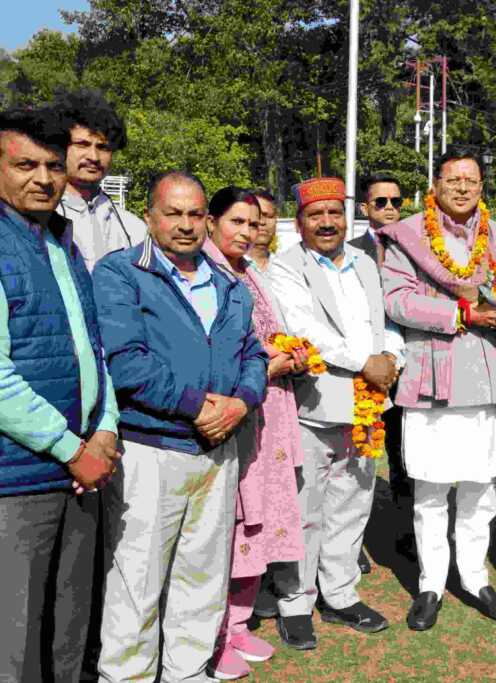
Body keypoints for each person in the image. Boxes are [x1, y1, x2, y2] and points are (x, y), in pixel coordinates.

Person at [93, 171, 268, 682]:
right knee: (137, 579)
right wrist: (197, 407)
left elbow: (254, 355)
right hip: (151, 447)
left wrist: (241, 403)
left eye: (195, 214)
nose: (185, 224)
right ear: (150, 216)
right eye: (173, 213)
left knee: (203, 576)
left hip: (218, 449)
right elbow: (126, 362)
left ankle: (187, 672)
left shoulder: (228, 283)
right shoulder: (122, 272)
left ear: (207, 220)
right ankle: (126, 677)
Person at [0, 106, 119, 682]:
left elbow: (93, 350)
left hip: (79, 469)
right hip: (20, 476)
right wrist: (72, 448)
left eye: (53, 165)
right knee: (16, 640)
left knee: (70, 631)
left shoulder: (61, 241)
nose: (43, 179)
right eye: (25, 165)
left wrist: (106, 428)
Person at [380, 151, 496, 632]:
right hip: (433, 375)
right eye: (453, 179)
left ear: (481, 186)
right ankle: (431, 585)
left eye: (471, 180)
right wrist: (461, 314)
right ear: (434, 184)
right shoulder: (406, 235)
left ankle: (476, 579)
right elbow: (396, 301)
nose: (462, 188)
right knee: (431, 490)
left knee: (481, 488)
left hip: (487, 371)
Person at [269, 176, 402, 649]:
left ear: (346, 218)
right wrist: (367, 361)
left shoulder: (365, 262)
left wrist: (392, 358)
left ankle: (341, 595)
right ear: (299, 221)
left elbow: (384, 323)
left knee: (352, 505)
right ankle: (295, 602)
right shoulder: (286, 267)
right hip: (315, 405)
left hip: (368, 404)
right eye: (316, 215)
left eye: (334, 213)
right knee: (305, 509)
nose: (327, 223)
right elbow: (306, 330)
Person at [203, 187, 307, 679]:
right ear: (210, 221)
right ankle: (212, 635)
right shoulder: (202, 272)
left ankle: (239, 624)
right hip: (234, 412)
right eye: (236, 222)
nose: (247, 231)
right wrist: (270, 364)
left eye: (254, 222)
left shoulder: (250, 272)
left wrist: (292, 355)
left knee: (259, 521)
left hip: (271, 411)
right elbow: (214, 356)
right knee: (230, 523)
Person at [353, 173, 414, 563]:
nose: (390, 208)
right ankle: (351, 543)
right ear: (365, 208)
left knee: (404, 457)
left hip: (409, 371)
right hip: (362, 371)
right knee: (357, 458)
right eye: (381, 201)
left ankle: (407, 535)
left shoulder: (417, 249)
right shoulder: (347, 252)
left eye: (396, 201)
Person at [53, 89, 147, 271]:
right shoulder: (41, 219)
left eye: (103, 147)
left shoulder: (133, 229)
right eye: (82, 145)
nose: (93, 157)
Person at [248, 188, 279, 273]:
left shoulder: (285, 269)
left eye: (269, 216)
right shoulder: (226, 268)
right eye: (257, 215)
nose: (262, 222)